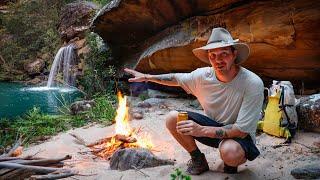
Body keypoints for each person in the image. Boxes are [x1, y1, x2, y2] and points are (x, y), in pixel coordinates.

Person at [124, 27, 264, 175]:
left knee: (230, 152)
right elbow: (175, 78)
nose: (218, 60)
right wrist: (147, 77)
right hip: (213, 127)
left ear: (234, 54)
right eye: (213, 55)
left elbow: (240, 131)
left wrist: (200, 130)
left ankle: (230, 163)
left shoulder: (252, 83)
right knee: (173, 118)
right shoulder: (203, 76)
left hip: (238, 136)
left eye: (224, 54)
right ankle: (198, 159)